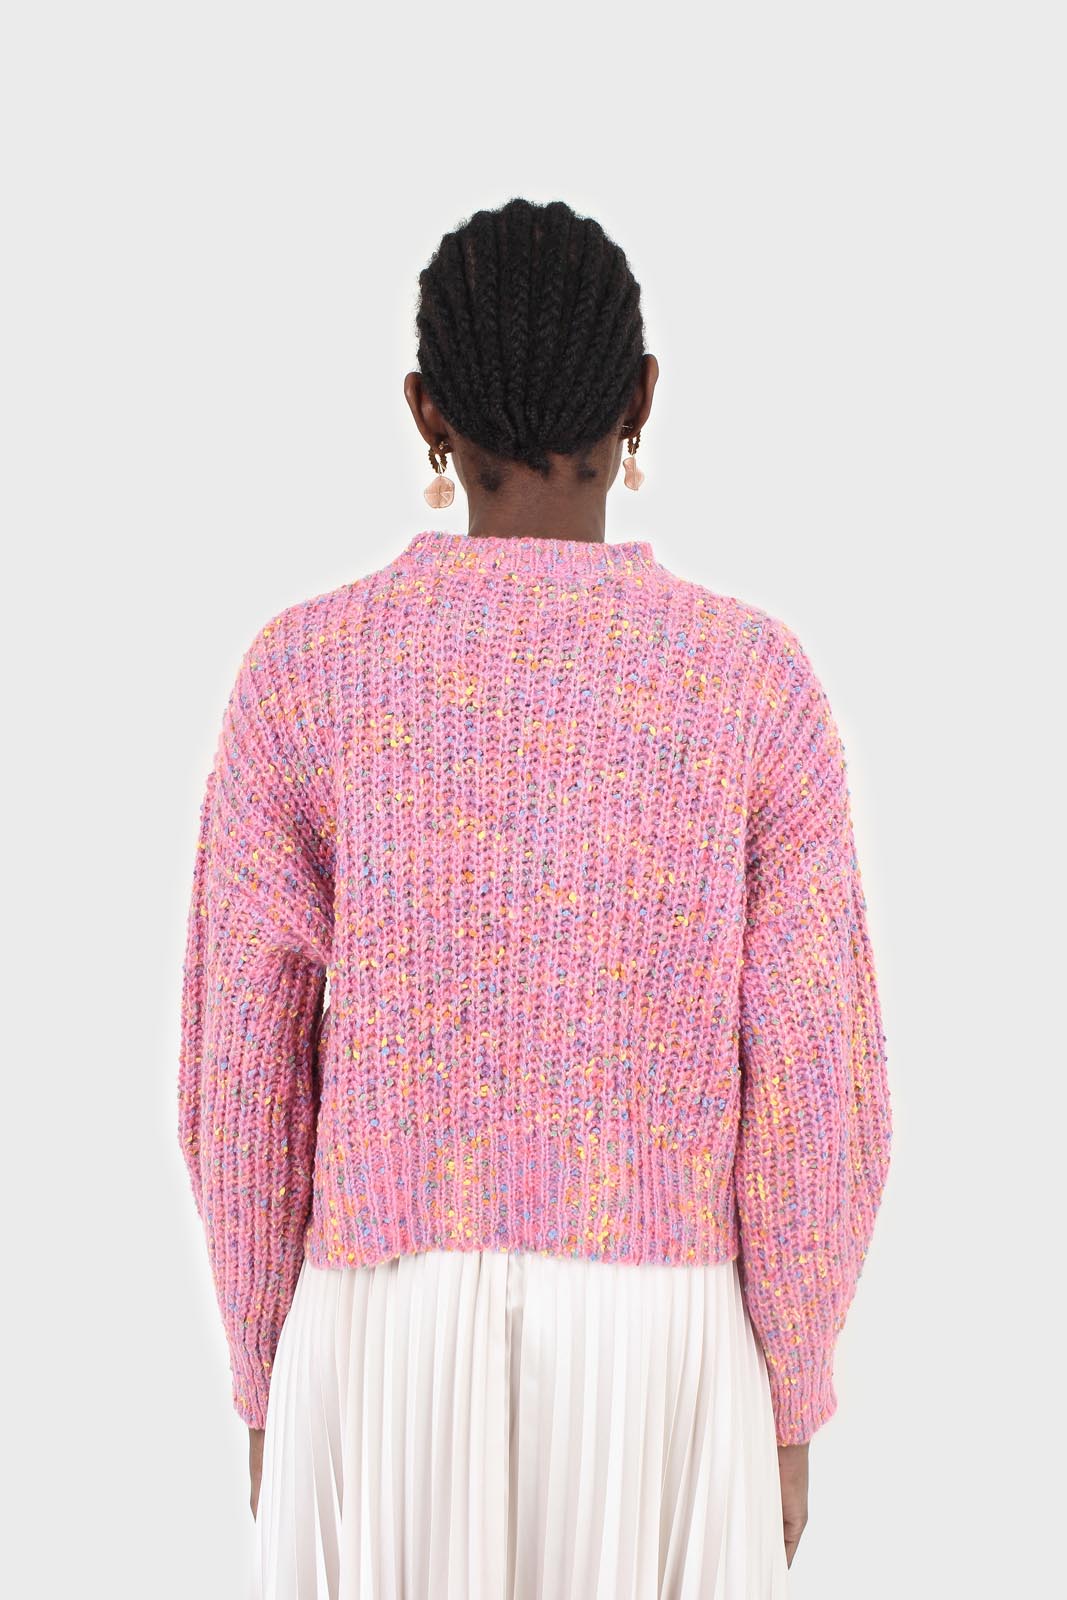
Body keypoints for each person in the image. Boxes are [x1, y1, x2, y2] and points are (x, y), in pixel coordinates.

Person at [177, 196, 893, 1599]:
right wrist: (794, 1383)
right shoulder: (750, 682)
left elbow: (244, 1072)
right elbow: (818, 1078)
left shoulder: (304, 674)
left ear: (426, 412)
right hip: (666, 1338)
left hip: (378, 1327)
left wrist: (266, 1371)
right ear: (642, 399)